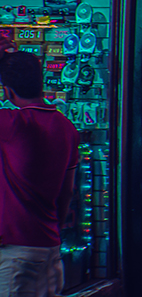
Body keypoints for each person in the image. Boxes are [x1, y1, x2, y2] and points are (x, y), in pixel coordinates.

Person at [0, 50, 80, 297]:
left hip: (16, 251)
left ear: (8, 91)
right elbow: (67, 191)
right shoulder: (67, 128)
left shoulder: (12, 124)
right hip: (49, 247)